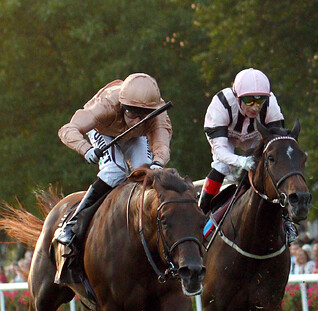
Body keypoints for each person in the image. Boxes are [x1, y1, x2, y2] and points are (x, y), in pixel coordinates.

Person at [55, 73, 171, 246]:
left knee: (146, 172)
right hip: (102, 131)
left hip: (135, 138)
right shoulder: (106, 105)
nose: (137, 121)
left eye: (144, 115)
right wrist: (86, 149)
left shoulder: (158, 114)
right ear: (122, 106)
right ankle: (73, 224)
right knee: (114, 171)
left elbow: (162, 145)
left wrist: (158, 162)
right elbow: (67, 129)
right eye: (132, 114)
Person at [197, 68, 285, 213]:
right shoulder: (221, 104)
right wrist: (242, 162)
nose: (255, 107)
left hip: (255, 136)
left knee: (270, 164)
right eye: (249, 100)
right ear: (237, 97)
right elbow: (220, 151)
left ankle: (284, 216)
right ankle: (202, 210)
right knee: (222, 166)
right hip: (227, 136)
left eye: (260, 101)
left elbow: (279, 141)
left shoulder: (271, 105)